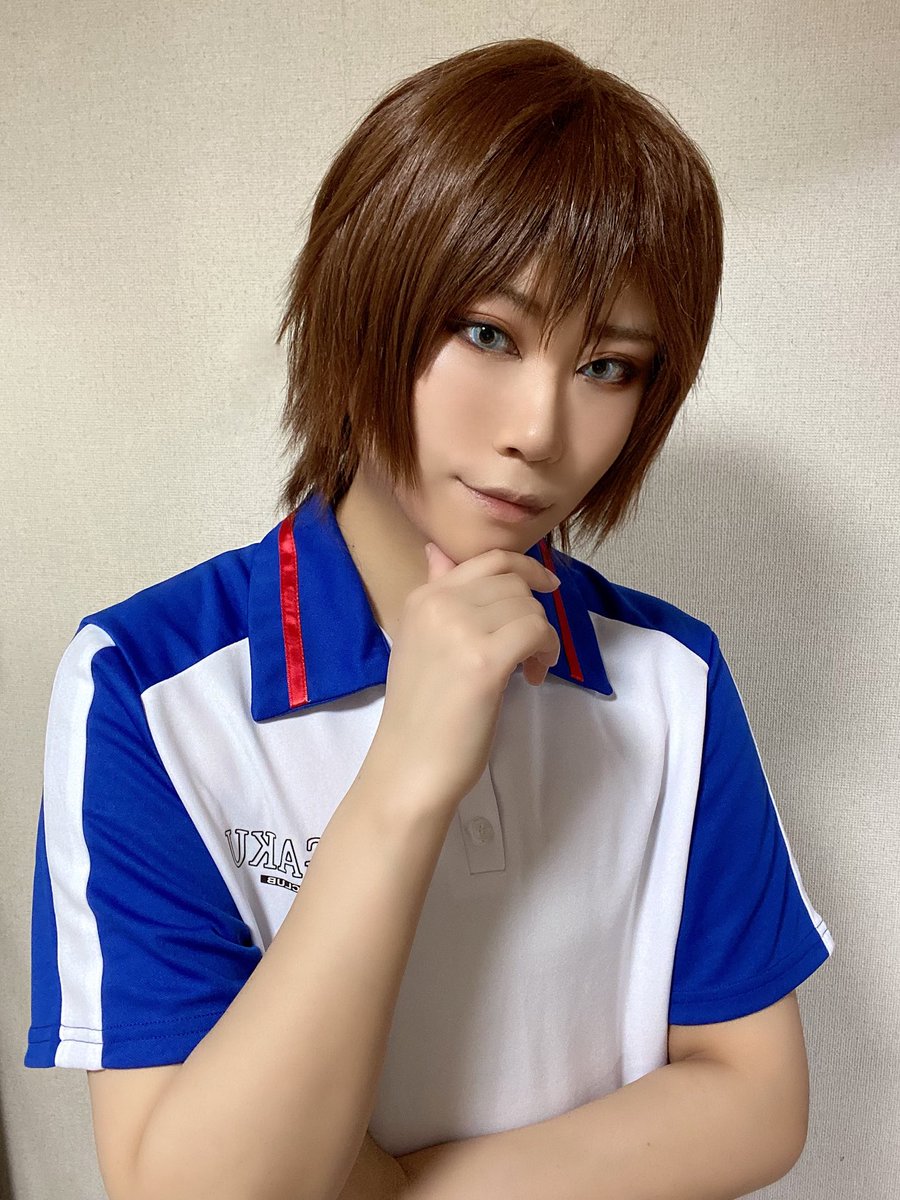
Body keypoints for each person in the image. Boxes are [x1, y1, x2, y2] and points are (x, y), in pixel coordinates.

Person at [25, 35, 834, 1200]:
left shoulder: (672, 677)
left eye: (608, 366)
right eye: (488, 334)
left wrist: (397, 1190)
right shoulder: (146, 685)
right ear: (363, 305)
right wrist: (405, 776)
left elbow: (756, 1101)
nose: (540, 430)